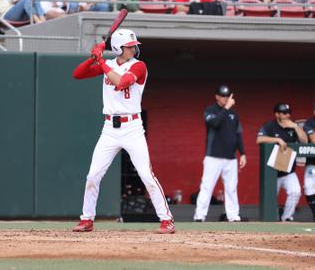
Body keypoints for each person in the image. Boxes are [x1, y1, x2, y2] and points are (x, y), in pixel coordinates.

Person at [71, 29, 175, 234]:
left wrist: (100, 62)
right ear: (119, 47)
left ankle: (166, 220)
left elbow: (122, 82)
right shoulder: (108, 64)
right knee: (93, 175)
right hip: (109, 127)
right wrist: (93, 57)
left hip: (133, 127)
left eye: (133, 46)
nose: (133, 49)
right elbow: (78, 74)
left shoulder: (139, 65)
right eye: (129, 46)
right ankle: (87, 219)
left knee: (146, 175)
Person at [194, 85, 247, 222]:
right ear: (217, 96)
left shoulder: (234, 114)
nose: (225, 98)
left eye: (227, 96)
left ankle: (233, 216)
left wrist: (242, 153)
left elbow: (238, 134)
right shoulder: (210, 110)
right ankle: (200, 216)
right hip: (213, 156)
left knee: (231, 188)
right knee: (207, 186)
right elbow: (215, 123)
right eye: (222, 96)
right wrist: (226, 108)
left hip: (230, 157)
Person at [256, 103, 308, 221]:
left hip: (288, 170)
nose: (287, 115)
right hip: (272, 171)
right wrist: (277, 139)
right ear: (277, 114)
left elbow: (304, 141)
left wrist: (295, 126)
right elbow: (259, 139)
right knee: (270, 198)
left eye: (288, 113)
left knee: (295, 192)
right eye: (284, 113)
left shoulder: (293, 126)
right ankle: (271, 220)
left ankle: (287, 217)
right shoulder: (270, 126)